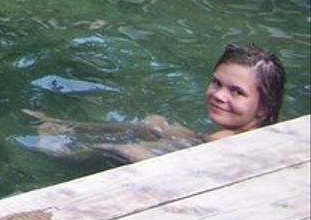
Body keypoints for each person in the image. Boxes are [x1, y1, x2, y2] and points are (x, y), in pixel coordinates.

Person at [21, 43, 286, 164]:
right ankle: (69, 127)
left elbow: (140, 154)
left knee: (128, 149)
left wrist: (134, 150)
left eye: (236, 92)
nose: (219, 95)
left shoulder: (225, 144)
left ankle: (58, 150)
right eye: (217, 83)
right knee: (155, 124)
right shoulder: (246, 134)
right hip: (197, 146)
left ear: (264, 107)